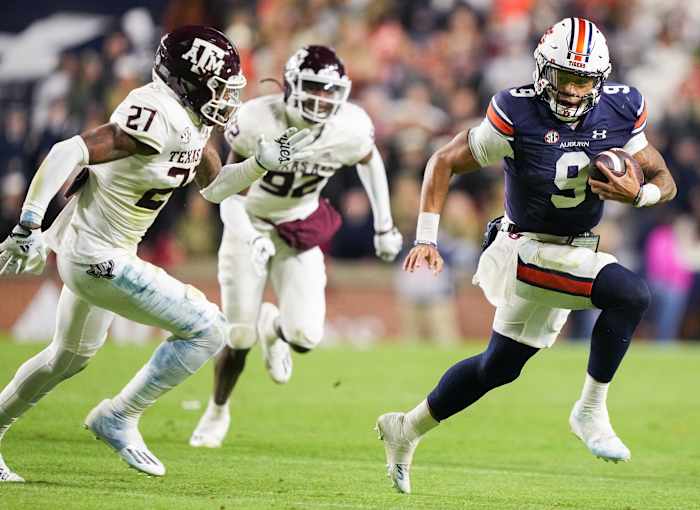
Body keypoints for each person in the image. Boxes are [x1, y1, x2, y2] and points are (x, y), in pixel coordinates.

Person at [0, 25, 314, 482]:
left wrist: (260, 164)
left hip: (102, 250)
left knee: (66, 359)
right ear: (190, 81)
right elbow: (70, 150)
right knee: (208, 329)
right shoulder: (157, 113)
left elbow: (214, 188)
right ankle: (119, 416)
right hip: (97, 256)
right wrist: (29, 221)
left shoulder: (191, 120)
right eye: (220, 85)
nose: (227, 96)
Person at [376, 18, 677, 494]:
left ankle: (406, 428)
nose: (575, 90)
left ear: (600, 80)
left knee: (498, 367)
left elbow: (664, 177)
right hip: (524, 249)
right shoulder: (517, 111)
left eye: (584, 80)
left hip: (573, 251)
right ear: (542, 70)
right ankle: (590, 410)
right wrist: (426, 238)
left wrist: (639, 197)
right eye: (565, 77)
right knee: (631, 295)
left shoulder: (622, 108)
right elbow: (443, 161)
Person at [189, 45, 403, 449]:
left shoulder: (350, 126)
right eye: (313, 88)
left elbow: (368, 158)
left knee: (305, 336)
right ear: (291, 84)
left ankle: (273, 327)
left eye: (328, 91)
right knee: (237, 337)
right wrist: (250, 237)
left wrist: (385, 224)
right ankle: (217, 410)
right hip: (246, 223)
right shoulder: (256, 119)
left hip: (298, 224)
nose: (321, 99)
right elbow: (226, 193)